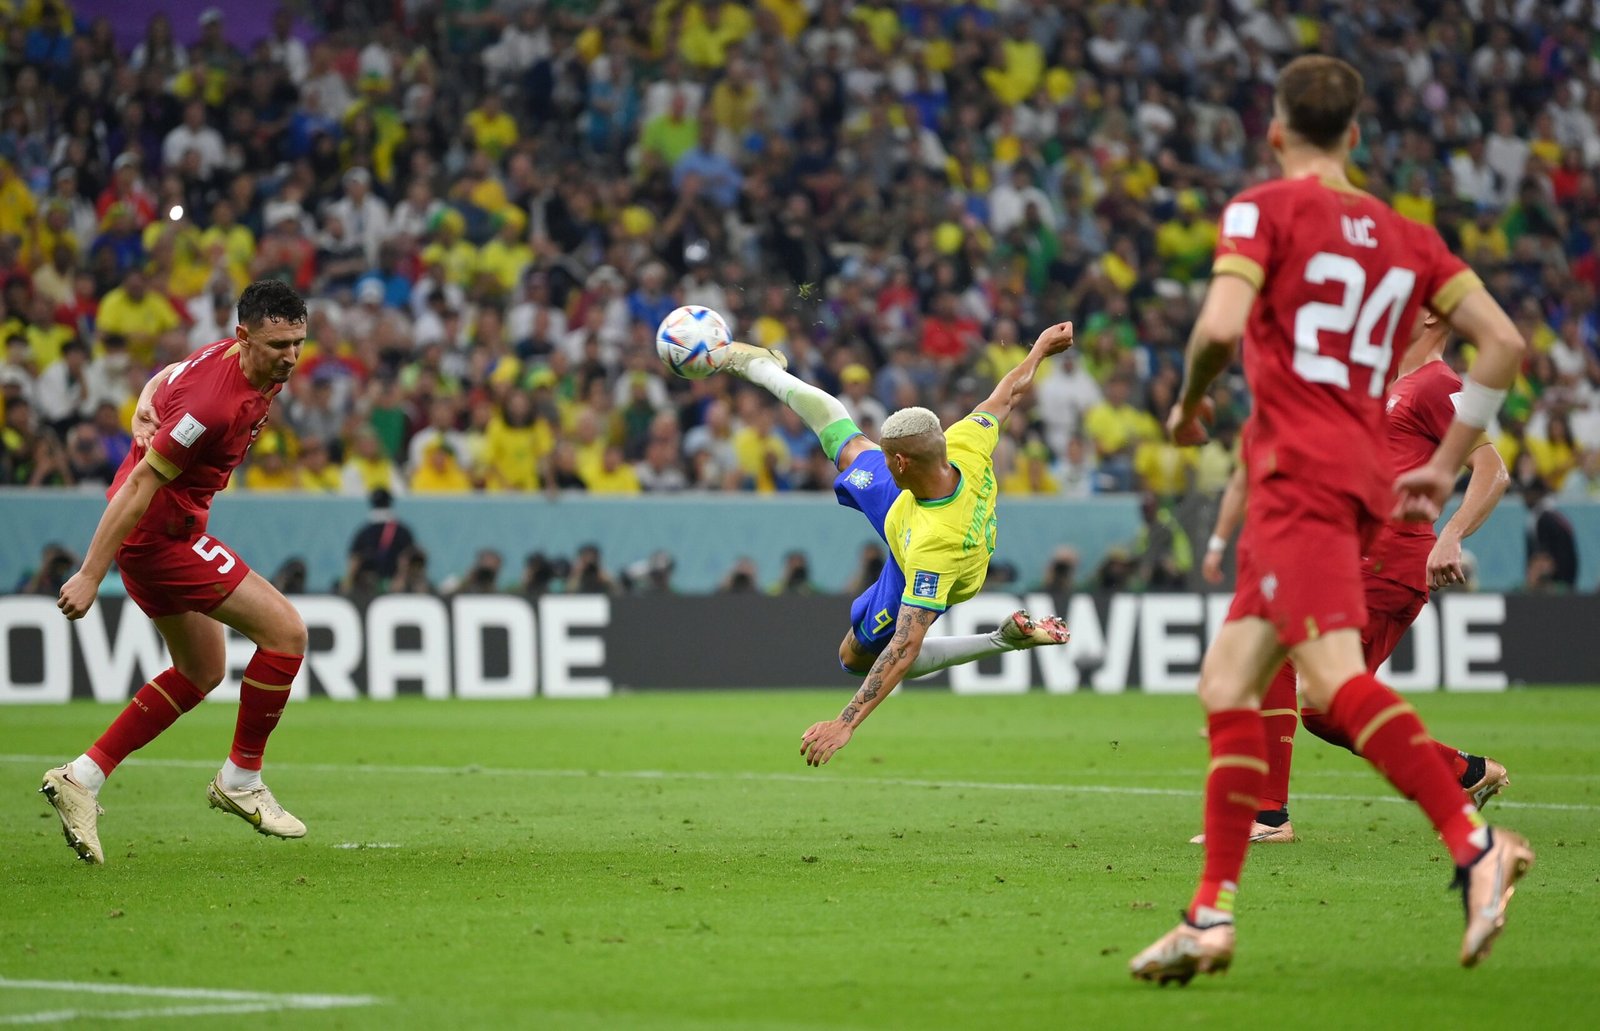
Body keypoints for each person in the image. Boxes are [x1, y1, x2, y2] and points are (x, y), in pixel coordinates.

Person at [1130, 57, 1532, 983]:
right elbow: (1505, 343)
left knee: (1331, 687)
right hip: (1352, 481)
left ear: (1276, 132)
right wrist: (1438, 468)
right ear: (1357, 136)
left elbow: (1221, 331)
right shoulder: (1409, 239)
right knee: (1231, 679)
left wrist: (1191, 405)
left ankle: (1476, 847)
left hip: (1297, 474)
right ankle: (1207, 916)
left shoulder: (1262, 209)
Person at [1196, 315, 1512, 846]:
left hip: (1392, 561)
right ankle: (1462, 772)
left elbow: (1492, 470)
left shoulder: (1441, 384)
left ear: (1431, 315)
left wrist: (1451, 535)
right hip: (1354, 558)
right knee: (1325, 710)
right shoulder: (1386, 387)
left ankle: (1269, 816)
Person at [717, 325, 1077, 768]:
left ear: (900, 462)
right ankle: (763, 367)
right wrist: (1039, 349)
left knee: (854, 657)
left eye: (887, 455)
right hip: (912, 502)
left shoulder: (934, 550)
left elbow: (904, 649)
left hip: (926, 554)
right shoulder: (966, 443)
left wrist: (846, 721)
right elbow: (1007, 395)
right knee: (846, 443)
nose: (881, 458)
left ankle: (1000, 640)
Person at [42, 281, 311, 865]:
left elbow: (165, 375)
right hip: (161, 538)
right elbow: (141, 486)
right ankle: (241, 779)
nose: (289, 357)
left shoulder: (228, 356)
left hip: (162, 532)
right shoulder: (212, 407)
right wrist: (92, 573)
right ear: (245, 338)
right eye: (277, 345)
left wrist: (142, 403)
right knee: (287, 634)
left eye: (297, 343)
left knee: (201, 669)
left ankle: (81, 778)